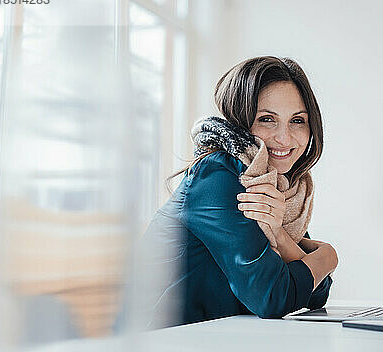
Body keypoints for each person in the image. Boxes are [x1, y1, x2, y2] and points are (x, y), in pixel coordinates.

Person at [140, 56, 338, 328]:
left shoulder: (278, 183)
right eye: (267, 119)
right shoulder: (219, 177)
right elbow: (274, 297)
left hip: (218, 338)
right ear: (241, 122)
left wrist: (280, 235)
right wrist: (326, 257)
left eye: (297, 121)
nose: (284, 137)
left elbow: (315, 294)